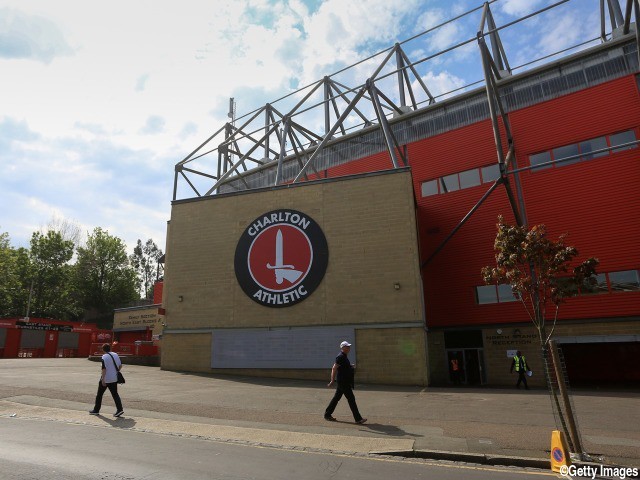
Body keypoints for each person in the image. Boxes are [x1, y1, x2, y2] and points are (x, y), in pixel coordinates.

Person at [324, 341, 367, 424]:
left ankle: (327, 414)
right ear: (342, 348)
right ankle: (358, 419)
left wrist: (350, 366)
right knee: (351, 399)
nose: (348, 348)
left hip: (344, 381)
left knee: (336, 398)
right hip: (343, 382)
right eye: (346, 347)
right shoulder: (340, 356)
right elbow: (334, 368)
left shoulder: (344, 356)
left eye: (349, 347)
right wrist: (332, 380)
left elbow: (343, 367)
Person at [89, 343, 124, 417]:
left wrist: (103, 379)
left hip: (107, 378)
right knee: (115, 394)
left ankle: (96, 410)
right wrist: (115, 372)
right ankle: (120, 409)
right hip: (114, 378)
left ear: (103, 349)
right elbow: (120, 366)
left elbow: (104, 369)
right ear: (110, 348)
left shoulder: (104, 357)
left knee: (99, 395)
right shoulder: (115, 354)